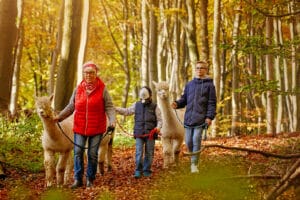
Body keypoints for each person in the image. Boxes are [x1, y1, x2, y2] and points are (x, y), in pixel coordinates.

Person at [54, 61, 116, 188]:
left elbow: (109, 106)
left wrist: (112, 120)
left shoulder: (102, 89)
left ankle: (90, 179)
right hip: (80, 126)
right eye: (86, 72)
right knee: (78, 152)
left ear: (96, 73)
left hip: (97, 127)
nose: (88, 75)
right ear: (83, 74)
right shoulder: (78, 89)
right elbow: (71, 106)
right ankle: (78, 179)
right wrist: (60, 117)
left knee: (92, 154)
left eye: (91, 72)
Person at [171, 61, 216, 173]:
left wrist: (209, 117)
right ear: (195, 70)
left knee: (196, 139)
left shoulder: (210, 85)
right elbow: (184, 99)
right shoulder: (189, 85)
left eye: (202, 68)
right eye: (197, 68)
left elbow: (212, 103)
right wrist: (177, 103)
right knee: (189, 142)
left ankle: (194, 164)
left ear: (206, 70)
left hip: (201, 119)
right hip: (188, 118)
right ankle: (193, 159)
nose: (199, 70)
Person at [115, 86, 162, 178]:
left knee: (149, 152)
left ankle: (146, 170)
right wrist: (116, 109)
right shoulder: (136, 105)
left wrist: (158, 127)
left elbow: (160, 120)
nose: (144, 100)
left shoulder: (155, 106)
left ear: (150, 96)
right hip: (139, 133)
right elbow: (127, 111)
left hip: (151, 133)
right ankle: (138, 170)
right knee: (139, 152)